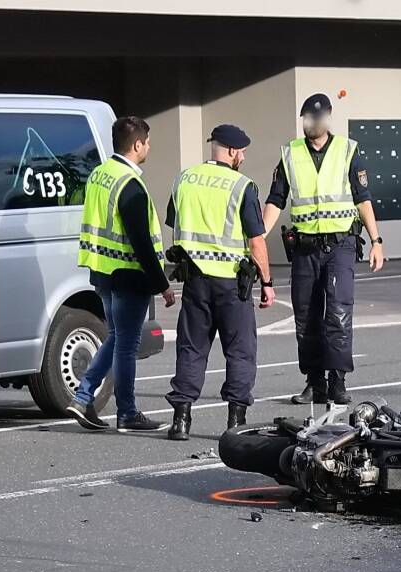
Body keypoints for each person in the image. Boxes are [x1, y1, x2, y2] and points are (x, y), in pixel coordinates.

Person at [262, 93, 387, 406]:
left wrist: (376, 241)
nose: (309, 125)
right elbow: (276, 199)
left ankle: (338, 380)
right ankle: (314, 381)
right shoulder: (290, 154)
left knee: (339, 313)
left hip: (341, 245)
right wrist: (258, 237)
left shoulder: (347, 151)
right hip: (305, 248)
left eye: (315, 119)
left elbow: (363, 198)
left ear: (327, 119)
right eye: (305, 119)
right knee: (305, 316)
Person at [164, 125, 274, 441]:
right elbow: (257, 242)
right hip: (231, 285)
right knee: (240, 351)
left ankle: (181, 421)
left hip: (195, 281)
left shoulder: (184, 180)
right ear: (231, 151)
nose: (244, 156)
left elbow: (175, 221)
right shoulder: (242, 186)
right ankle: (235, 424)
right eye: (242, 151)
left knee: (191, 349)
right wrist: (267, 282)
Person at [68, 116, 175, 433]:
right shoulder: (130, 184)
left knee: (115, 338)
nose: (149, 147)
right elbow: (141, 241)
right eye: (148, 142)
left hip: (101, 272)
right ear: (138, 144)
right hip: (128, 276)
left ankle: (83, 397)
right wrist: (163, 284)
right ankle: (127, 412)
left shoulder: (99, 174)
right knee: (127, 345)